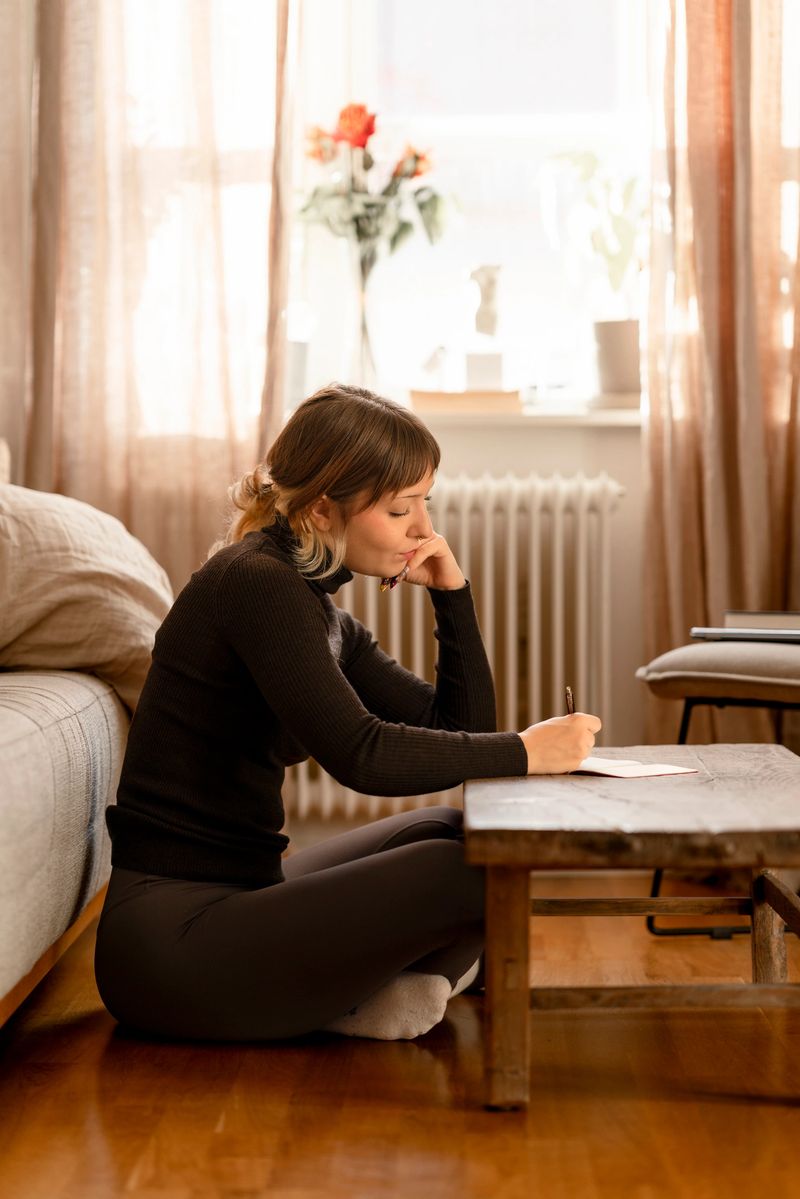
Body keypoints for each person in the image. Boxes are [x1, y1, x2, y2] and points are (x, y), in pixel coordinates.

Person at [94, 384, 601, 1042]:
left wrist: (453, 593)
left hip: (244, 892)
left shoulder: (317, 609)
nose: (424, 530)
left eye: (425, 504)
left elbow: (460, 731)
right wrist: (529, 751)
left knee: (461, 831)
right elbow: (361, 753)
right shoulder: (257, 582)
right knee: (471, 872)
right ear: (325, 511)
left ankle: (355, 997)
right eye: (399, 509)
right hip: (169, 942)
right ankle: (356, 999)